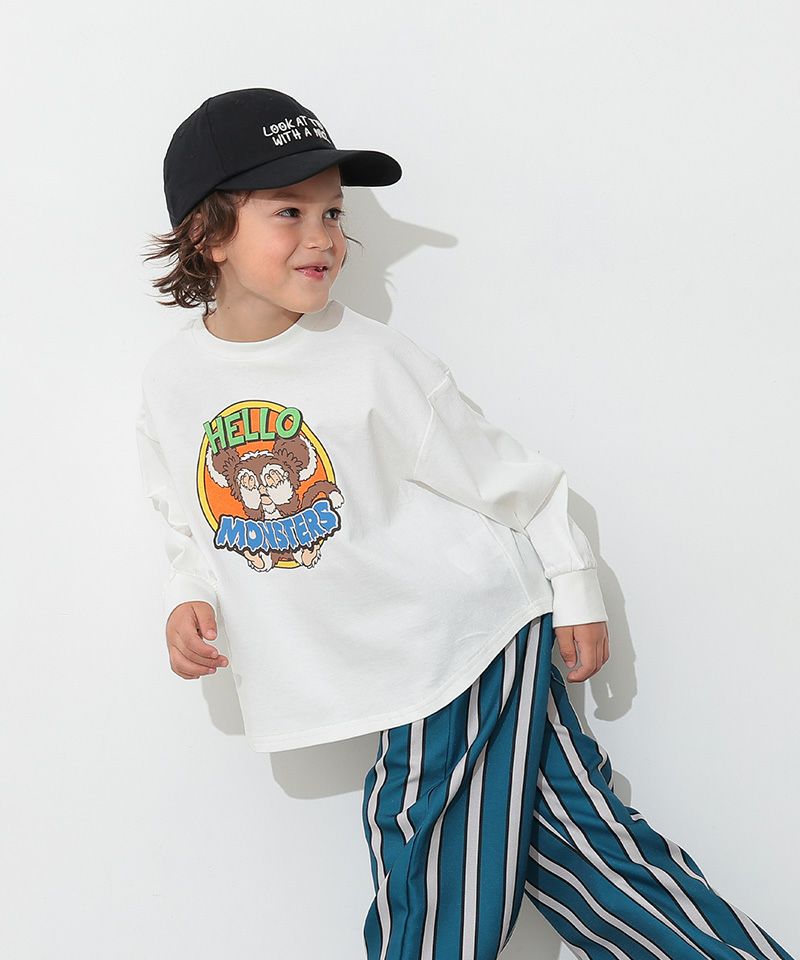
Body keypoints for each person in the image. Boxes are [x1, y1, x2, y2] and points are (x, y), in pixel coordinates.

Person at [135, 88, 796, 960]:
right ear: (206, 233)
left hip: (459, 638)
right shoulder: (173, 381)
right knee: (588, 859)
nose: (323, 236)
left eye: (333, 212)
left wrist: (575, 586)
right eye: (289, 212)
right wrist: (188, 595)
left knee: (426, 855)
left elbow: (513, 479)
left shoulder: (370, 360)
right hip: (403, 657)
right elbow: (183, 516)